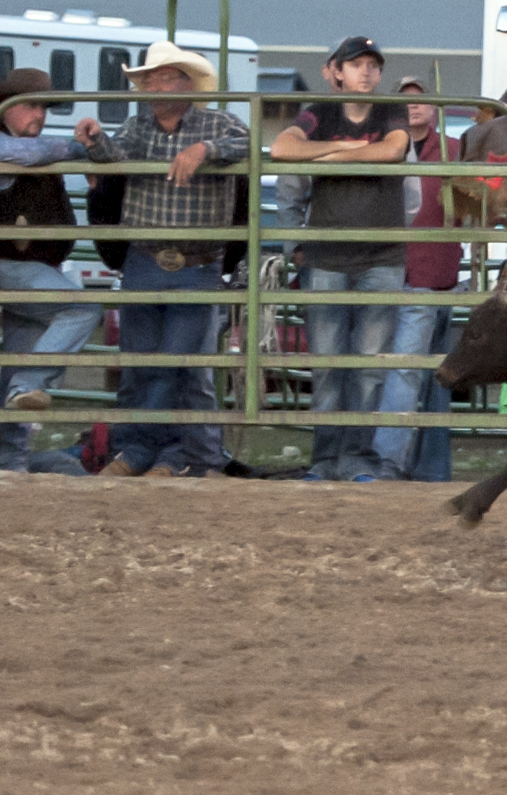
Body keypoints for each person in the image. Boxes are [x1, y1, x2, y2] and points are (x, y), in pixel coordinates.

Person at [74, 42, 251, 478]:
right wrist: (96, 142)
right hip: (146, 257)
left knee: (171, 361)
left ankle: (146, 452)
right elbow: (114, 159)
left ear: (184, 82)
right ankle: (163, 454)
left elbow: (244, 142)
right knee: (143, 361)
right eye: (147, 79)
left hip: (196, 261)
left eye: (160, 77)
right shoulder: (138, 127)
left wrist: (203, 150)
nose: (152, 85)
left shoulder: (220, 121)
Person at [270, 36, 411, 480]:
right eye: (356, 64)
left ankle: (353, 459)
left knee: (368, 367)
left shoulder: (390, 109)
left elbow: (394, 149)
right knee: (329, 365)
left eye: (372, 65)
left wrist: (335, 151)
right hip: (330, 255)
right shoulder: (320, 111)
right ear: (336, 71)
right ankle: (329, 459)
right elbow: (281, 149)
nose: (365, 72)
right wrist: (352, 151)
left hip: (379, 255)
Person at [1, 67, 104, 474]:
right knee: (80, 308)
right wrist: (81, 149)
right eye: (28, 106)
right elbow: (29, 154)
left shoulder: (30, 143)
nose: (38, 115)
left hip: (31, 267)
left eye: (43, 106)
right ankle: (31, 386)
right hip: (13, 267)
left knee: (15, 365)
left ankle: (10, 464)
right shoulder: (19, 146)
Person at [373, 77, 456, 483]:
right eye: (405, 102)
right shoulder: (383, 147)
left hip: (432, 273)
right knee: (410, 369)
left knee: (413, 371)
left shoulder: (456, 151)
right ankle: (408, 465)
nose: (414, 107)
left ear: (436, 109)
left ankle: (393, 462)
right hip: (393, 269)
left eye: (422, 101)